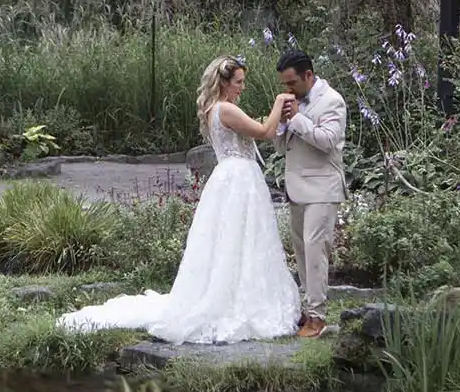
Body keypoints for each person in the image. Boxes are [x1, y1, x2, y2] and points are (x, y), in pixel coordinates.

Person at [56, 55, 301, 344]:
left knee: (242, 239)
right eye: (238, 82)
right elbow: (264, 132)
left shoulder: (222, 108)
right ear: (222, 83)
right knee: (236, 237)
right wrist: (277, 104)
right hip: (238, 181)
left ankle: (240, 291)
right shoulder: (224, 109)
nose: (242, 87)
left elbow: (255, 130)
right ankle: (230, 299)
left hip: (236, 179)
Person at [273, 49, 347, 338]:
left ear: (308, 75)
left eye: (292, 83)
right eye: (284, 85)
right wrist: (281, 122)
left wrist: (298, 119)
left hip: (322, 187)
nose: (288, 90)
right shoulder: (292, 103)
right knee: (302, 252)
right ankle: (309, 310)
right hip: (297, 187)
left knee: (316, 251)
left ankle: (318, 317)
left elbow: (328, 141)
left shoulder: (333, 101)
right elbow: (282, 148)